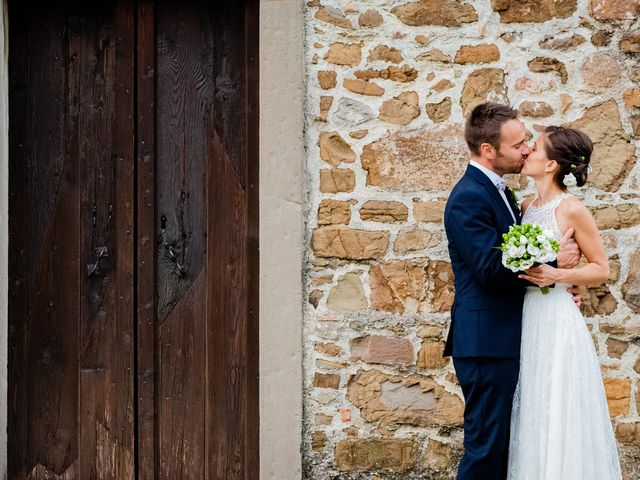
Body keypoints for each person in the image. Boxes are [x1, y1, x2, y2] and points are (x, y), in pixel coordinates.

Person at [443, 103, 581, 480]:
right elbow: (490, 270)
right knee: (486, 449)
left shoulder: (501, 193)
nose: (526, 150)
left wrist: (556, 281)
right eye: (519, 144)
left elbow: (516, 259)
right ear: (489, 150)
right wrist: (555, 258)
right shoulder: (469, 197)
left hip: (503, 338)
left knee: (504, 447)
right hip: (486, 343)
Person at [506, 126, 622, 479]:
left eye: (536, 148)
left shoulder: (572, 209)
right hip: (526, 316)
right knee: (534, 407)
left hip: (556, 318)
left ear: (551, 165)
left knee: (559, 405)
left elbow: (601, 268)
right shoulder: (524, 205)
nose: (527, 151)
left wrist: (561, 277)